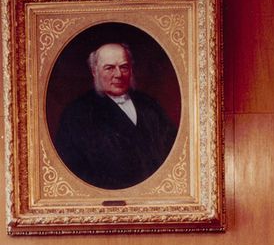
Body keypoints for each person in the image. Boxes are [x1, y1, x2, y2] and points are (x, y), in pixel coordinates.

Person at [52, 41, 179, 190]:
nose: (118, 74)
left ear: (131, 70)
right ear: (94, 71)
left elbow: (173, 152)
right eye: (109, 68)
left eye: (124, 67)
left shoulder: (149, 104)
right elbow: (74, 171)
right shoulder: (77, 113)